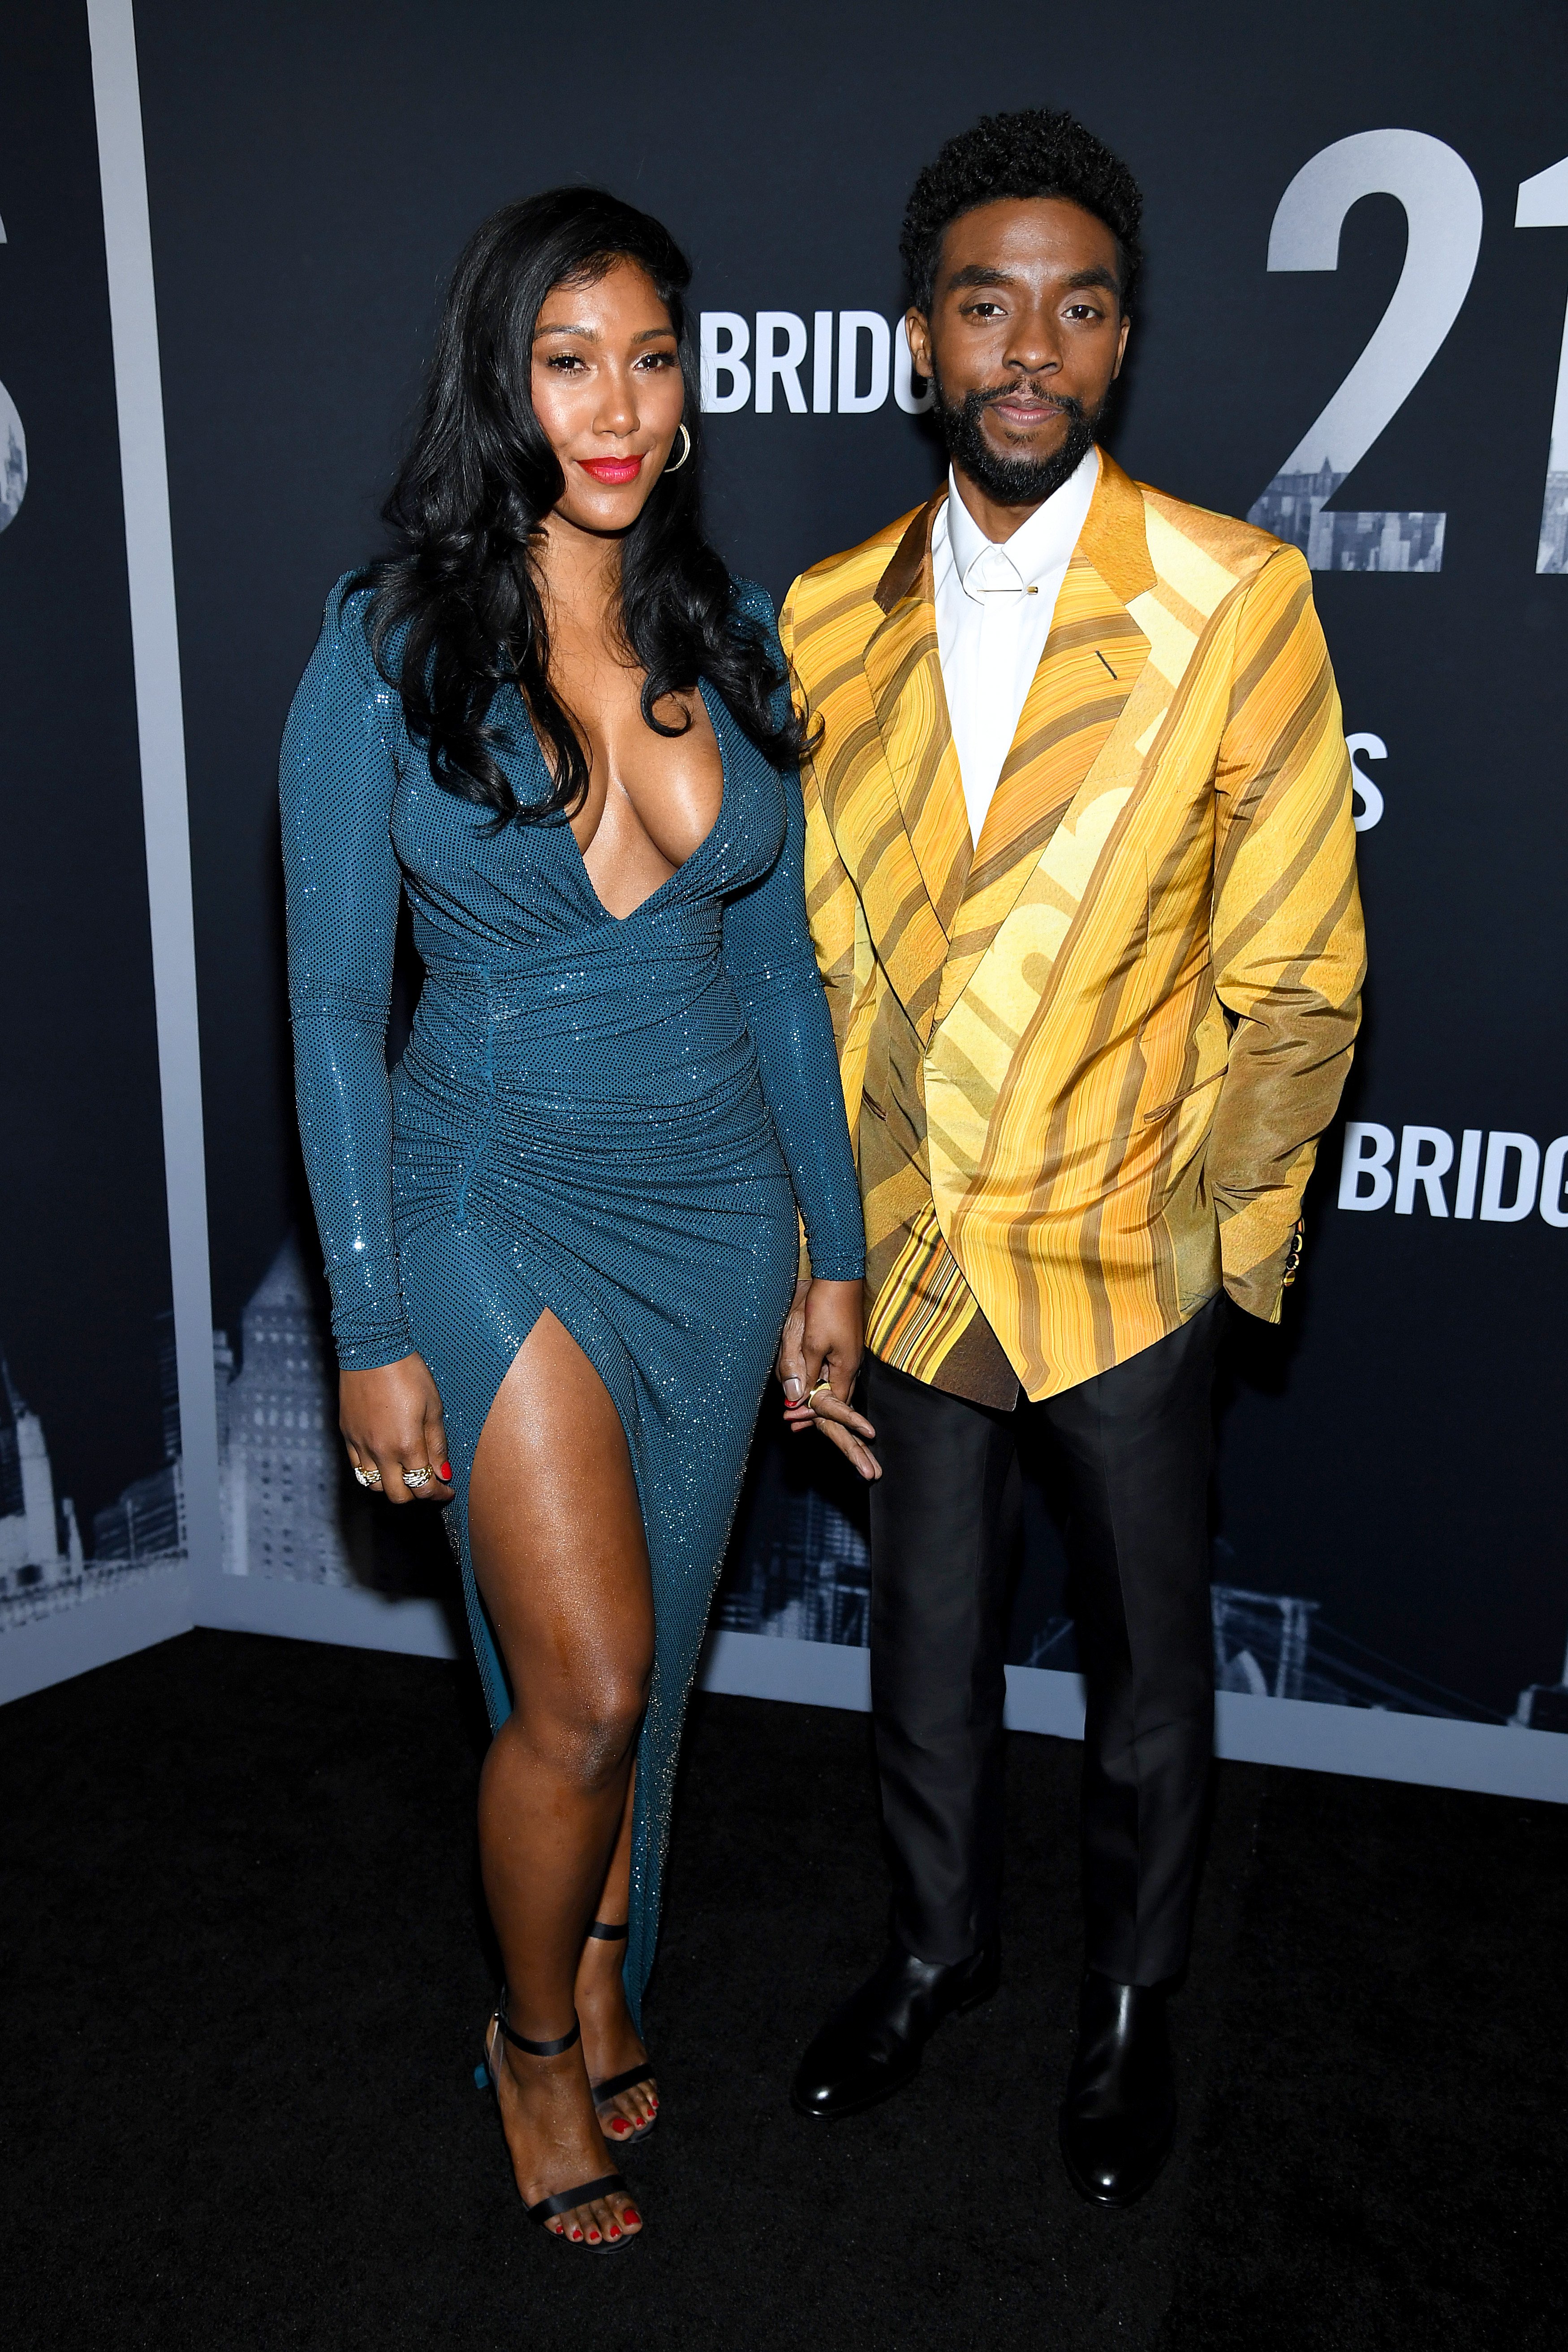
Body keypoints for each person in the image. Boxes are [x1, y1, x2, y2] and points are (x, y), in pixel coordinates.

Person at [777, 108, 1365, 2206]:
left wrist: (1206, 1237)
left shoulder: (1233, 595)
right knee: (915, 1648)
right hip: (912, 1251)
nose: (1027, 345)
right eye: (981, 302)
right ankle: (934, 1946)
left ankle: (1131, 2001)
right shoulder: (822, 619)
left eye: (1076, 304)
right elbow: (820, 972)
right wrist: (819, 1243)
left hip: (1127, 1257)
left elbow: (1297, 973)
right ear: (917, 339)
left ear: (1118, 341)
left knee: (1142, 1676)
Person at [280, 188, 868, 2252]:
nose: (614, 404)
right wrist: (366, 1322)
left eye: (648, 355)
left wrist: (833, 1248)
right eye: (567, 358)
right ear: (501, 384)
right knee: (591, 1682)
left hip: (719, 1219)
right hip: (489, 1190)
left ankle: (611, 1957)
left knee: (667, 1661)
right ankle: (535, 2039)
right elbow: (340, 1010)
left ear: (689, 389)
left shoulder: (732, 636)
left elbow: (783, 976)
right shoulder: (382, 651)